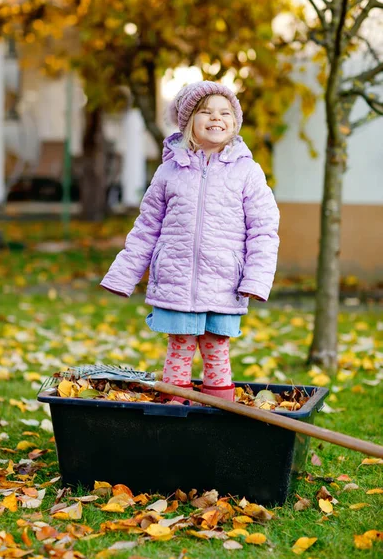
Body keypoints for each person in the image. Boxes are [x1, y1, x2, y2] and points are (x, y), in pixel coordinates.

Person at [101, 81, 280, 402]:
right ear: (188, 123)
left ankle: (219, 410)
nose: (217, 118)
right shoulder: (169, 172)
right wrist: (123, 275)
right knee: (179, 346)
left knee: (216, 347)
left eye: (225, 112)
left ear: (235, 123)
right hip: (176, 279)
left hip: (225, 281)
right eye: (206, 112)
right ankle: (173, 407)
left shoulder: (248, 172)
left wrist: (256, 278)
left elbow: (264, 230)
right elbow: (146, 227)